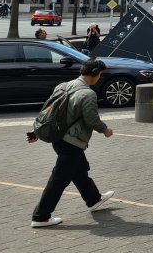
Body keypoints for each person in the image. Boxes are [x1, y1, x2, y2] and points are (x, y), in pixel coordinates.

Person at [29, 59, 115, 227]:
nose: (99, 78)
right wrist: (106, 130)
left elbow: (49, 111)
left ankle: (93, 199)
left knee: (79, 170)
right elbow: (92, 120)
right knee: (59, 179)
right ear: (93, 75)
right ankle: (41, 216)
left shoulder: (62, 86)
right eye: (99, 75)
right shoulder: (88, 94)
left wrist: (36, 131)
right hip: (71, 142)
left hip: (58, 138)